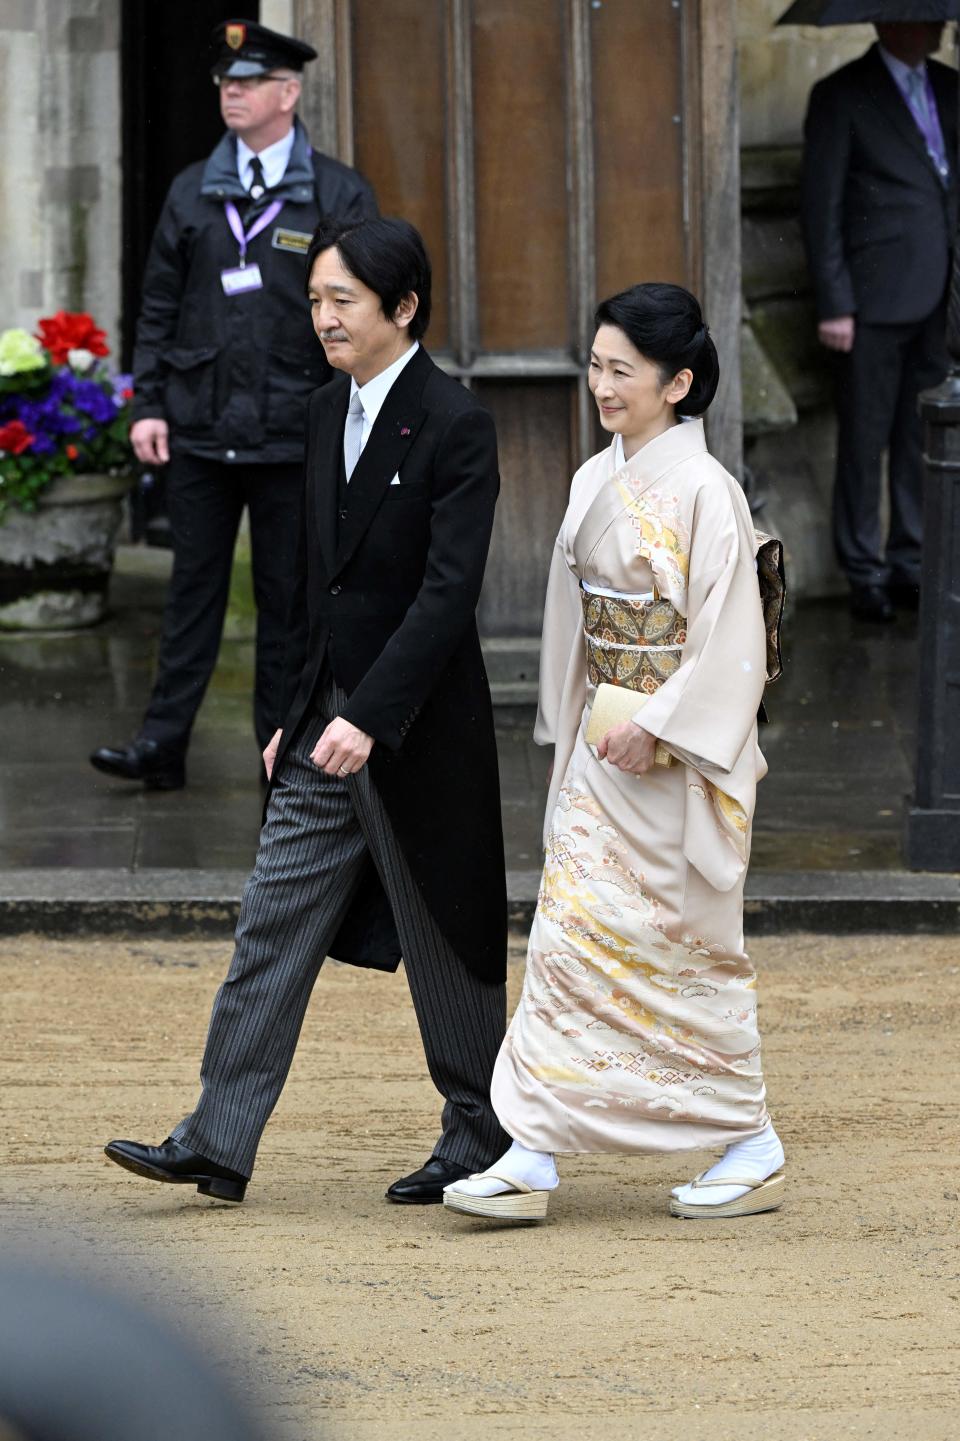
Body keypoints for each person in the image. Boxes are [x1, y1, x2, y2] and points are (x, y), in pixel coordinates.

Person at [104, 215, 509, 1206]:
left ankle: (483, 1131)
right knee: (271, 919)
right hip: (320, 716)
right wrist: (292, 708)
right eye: (315, 298)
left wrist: (369, 714)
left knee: (444, 937)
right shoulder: (326, 412)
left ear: (402, 308)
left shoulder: (456, 422)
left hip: (413, 727)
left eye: (343, 302)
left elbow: (447, 595)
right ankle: (218, 1134)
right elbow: (307, 586)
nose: (321, 317)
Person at [444, 283, 786, 1224]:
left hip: (677, 756)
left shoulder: (708, 491)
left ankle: (750, 1136)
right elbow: (578, 618)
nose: (602, 384)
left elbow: (734, 639)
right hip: (607, 744)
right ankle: (532, 1150)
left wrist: (665, 722)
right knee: (566, 937)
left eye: (621, 369)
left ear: (678, 383)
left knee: (689, 952)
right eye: (595, 365)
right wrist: (584, 711)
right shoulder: (596, 478)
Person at [91, 19, 376, 790]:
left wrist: (357, 414)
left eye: (247, 83)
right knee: (191, 592)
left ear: (288, 94)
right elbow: (157, 306)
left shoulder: (336, 190)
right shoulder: (192, 190)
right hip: (201, 427)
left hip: (294, 432)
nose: (230, 94)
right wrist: (148, 403)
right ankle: (161, 744)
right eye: (225, 83)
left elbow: (366, 311)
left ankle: (276, 749)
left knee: (287, 606)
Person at [801, 22, 957, 623]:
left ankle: (912, 564)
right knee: (865, 441)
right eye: (926, 12)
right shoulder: (843, 93)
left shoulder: (951, 87)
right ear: (889, 20)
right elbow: (821, 205)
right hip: (870, 303)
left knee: (926, 437)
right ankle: (864, 571)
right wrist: (836, 303)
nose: (941, 24)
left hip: (943, 298)